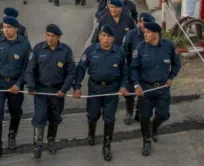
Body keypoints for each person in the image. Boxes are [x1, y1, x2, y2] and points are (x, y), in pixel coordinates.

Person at [73, 25, 129, 161]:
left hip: (111, 90)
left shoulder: (119, 52)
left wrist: (123, 86)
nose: (106, 39)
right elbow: (81, 68)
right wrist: (77, 87)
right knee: (93, 115)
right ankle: (91, 133)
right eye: (103, 35)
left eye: (109, 36)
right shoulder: (91, 50)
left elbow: (125, 72)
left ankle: (107, 145)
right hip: (94, 89)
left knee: (109, 118)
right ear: (99, 37)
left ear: (113, 38)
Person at [0, 16, 31, 157]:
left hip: (15, 85)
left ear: (16, 29)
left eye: (9, 27)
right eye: (4, 27)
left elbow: (27, 68)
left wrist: (19, 84)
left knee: (15, 111)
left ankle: (12, 135)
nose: (5, 30)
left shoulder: (25, 45)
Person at [25, 24, 76, 159]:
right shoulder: (38, 49)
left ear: (58, 37)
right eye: (48, 35)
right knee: (39, 117)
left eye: (53, 36)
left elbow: (71, 73)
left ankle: (51, 140)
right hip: (41, 90)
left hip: (57, 91)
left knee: (55, 117)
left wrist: (64, 89)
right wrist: (31, 86)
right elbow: (30, 69)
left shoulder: (66, 51)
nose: (50, 38)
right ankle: (37, 146)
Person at [130, 22, 181, 156]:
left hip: (162, 88)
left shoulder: (168, 46)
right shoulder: (140, 48)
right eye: (144, 32)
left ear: (156, 34)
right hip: (145, 88)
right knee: (144, 116)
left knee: (164, 114)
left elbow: (176, 63)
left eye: (147, 32)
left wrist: (171, 77)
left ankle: (154, 127)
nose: (144, 34)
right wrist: (136, 85)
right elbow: (133, 68)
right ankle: (146, 140)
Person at [122, 12, 155, 124]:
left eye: (149, 23)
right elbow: (124, 52)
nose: (145, 26)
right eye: (144, 23)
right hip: (132, 68)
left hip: (146, 70)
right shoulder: (131, 35)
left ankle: (138, 113)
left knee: (144, 92)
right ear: (140, 22)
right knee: (130, 92)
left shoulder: (153, 34)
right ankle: (129, 112)